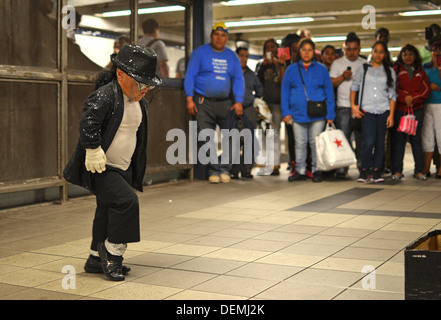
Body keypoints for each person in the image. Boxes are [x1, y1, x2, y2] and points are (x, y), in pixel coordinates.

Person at [63, 44, 161, 281]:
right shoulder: (106, 95)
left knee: (106, 210)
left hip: (123, 167)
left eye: (148, 84)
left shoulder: (139, 101)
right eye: (140, 83)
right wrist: (93, 149)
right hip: (101, 167)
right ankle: (113, 254)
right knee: (127, 202)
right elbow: (89, 122)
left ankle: (95, 259)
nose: (145, 89)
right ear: (120, 75)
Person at [184, 22, 244, 184]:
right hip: (203, 102)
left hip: (226, 103)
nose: (219, 38)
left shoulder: (232, 56)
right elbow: (190, 76)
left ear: (227, 38)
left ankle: (225, 169)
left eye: (223, 35)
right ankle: (214, 170)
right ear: (211, 36)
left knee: (231, 136)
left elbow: (238, 79)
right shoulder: (199, 53)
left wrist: (239, 101)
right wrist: (189, 98)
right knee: (206, 137)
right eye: (216, 34)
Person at [281, 38, 335, 183]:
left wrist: (330, 114)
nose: (306, 53)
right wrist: (286, 112)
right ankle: (300, 170)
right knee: (300, 143)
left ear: (314, 52)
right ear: (299, 52)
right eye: (303, 50)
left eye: (309, 50)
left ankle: (316, 169)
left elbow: (329, 92)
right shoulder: (291, 70)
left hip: (318, 114)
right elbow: (285, 92)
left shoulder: (322, 69)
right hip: (297, 114)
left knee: (315, 143)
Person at [351, 41, 396, 183]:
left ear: (385, 54)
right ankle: (364, 170)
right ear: (371, 52)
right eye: (375, 51)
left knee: (380, 143)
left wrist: (391, 115)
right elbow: (354, 88)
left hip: (383, 110)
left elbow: (392, 95)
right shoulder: (363, 69)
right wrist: (354, 106)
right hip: (367, 111)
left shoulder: (390, 71)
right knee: (369, 142)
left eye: (381, 52)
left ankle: (377, 171)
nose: (378, 54)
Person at [330, 32, 367, 179]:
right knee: (343, 139)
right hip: (343, 106)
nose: (352, 52)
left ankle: (362, 168)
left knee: (361, 139)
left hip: (360, 107)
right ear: (344, 49)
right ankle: (342, 168)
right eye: (349, 49)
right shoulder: (337, 63)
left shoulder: (364, 64)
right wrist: (343, 77)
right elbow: (331, 83)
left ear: (359, 49)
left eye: (355, 49)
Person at [390, 44, 430, 181]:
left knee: (416, 141)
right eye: (405, 54)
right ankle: (396, 171)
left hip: (416, 110)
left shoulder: (421, 71)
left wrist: (413, 98)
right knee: (399, 141)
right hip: (400, 110)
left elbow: (426, 89)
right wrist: (404, 97)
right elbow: (392, 88)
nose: (408, 57)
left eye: (411, 54)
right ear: (401, 56)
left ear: (416, 56)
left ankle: (419, 171)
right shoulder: (395, 70)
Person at [230, 47, 264, 179]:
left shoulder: (251, 75)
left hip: (249, 109)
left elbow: (260, 90)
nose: (243, 58)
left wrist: (255, 102)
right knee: (234, 140)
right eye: (241, 55)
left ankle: (247, 170)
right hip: (233, 108)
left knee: (249, 140)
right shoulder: (231, 73)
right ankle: (234, 169)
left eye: (246, 56)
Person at [256, 38, 287, 176]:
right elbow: (257, 84)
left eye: (273, 46)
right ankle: (264, 163)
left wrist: (278, 65)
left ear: (277, 48)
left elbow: (283, 82)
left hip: (278, 104)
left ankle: (275, 164)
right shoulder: (261, 65)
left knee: (274, 134)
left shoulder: (282, 64)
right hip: (265, 104)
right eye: (267, 47)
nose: (270, 49)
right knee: (263, 134)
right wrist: (264, 66)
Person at [422, 40, 441, 178]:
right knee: (427, 136)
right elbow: (420, 83)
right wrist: (429, 85)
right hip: (426, 104)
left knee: (440, 136)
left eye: (439, 50)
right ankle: (426, 167)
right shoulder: (425, 67)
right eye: (434, 50)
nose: (436, 53)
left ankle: (440, 169)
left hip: (440, 105)